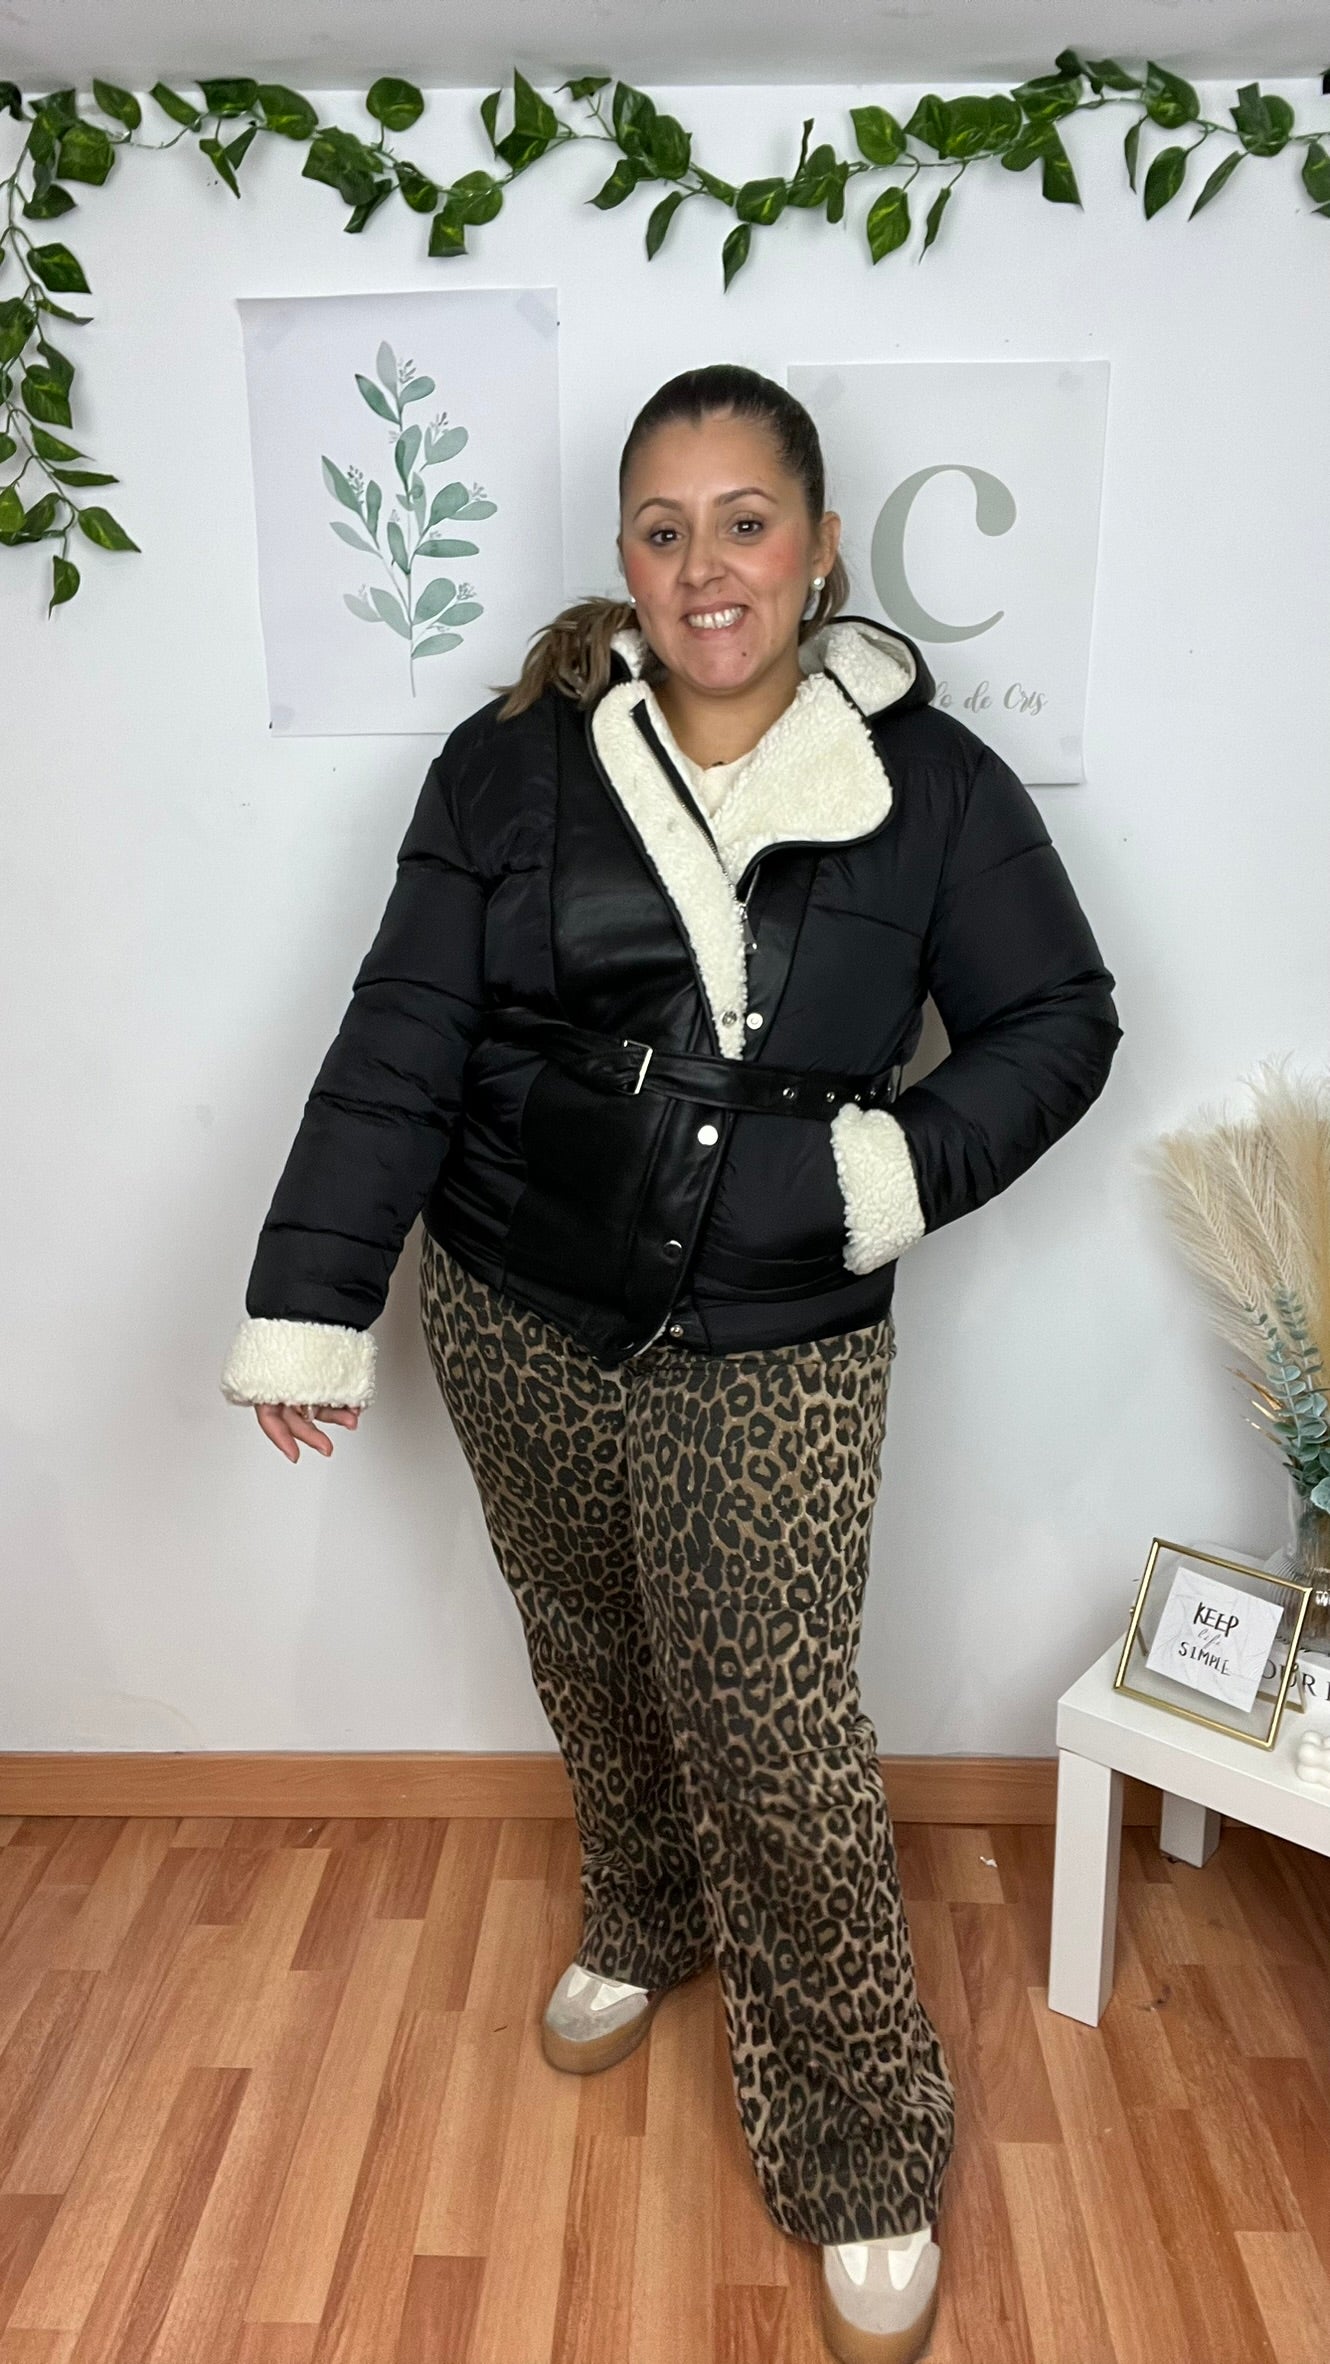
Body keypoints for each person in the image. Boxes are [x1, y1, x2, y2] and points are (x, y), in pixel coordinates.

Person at [220, 362, 1122, 2363]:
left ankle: (860, 2144)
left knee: (773, 1734)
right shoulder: (510, 764)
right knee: (591, 1648)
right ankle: (643, 1910)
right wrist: (316, 1297)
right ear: (622, 558)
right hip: (510, 1301)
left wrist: (877, 1175)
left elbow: (1058, 1020)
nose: (703, 565)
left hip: (773, 1334)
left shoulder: (932, 786)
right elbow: (401, 1037)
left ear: (814, 545)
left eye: (741, 520)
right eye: (661, 527)